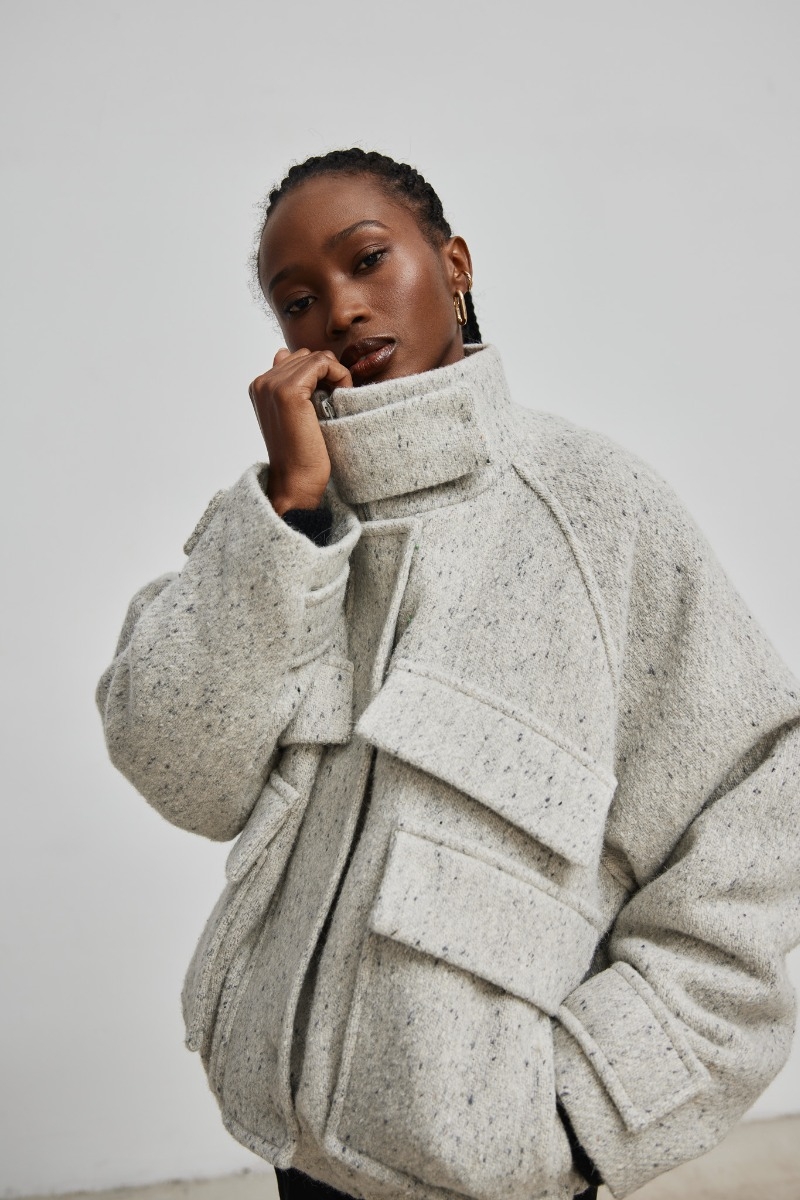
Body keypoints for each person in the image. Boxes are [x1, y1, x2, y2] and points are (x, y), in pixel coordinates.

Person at [96, 148, 800, 1200]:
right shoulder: (281, 530)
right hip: (297, 1151)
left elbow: (762, 801)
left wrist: (593, 1105)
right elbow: (178, 771)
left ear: (454, 265)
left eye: (366, 260)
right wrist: (291, 510)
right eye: (298, 299)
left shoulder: (594, 508)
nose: (340, 309)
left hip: (499, 1169)